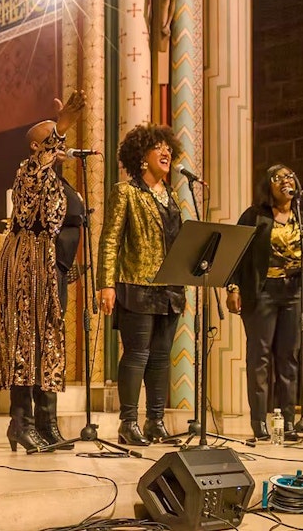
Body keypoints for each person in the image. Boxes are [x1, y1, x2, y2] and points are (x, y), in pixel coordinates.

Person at [0, 92, 85, 453]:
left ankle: (48, 423)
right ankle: (22, 422)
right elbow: (36, 188)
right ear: (38, 145)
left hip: (51, 270)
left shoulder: (61, 183)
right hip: (26, 266)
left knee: (49, 343)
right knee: (26, 341)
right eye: (52, 138)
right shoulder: (28, 171)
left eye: (61, 138)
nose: (60, 143)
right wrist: (60, 128)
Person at [96, 123, 187, 447]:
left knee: (162, 357)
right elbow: (109, 240)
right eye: (157, 147)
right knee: (137, 354)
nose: (165, 152)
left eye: (168, 147)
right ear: (141, 155)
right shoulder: (126, 192)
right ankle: (128, 421)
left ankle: (155, 420)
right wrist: (106, 284)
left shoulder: (173, 196)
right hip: (136, 282)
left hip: (170, 288)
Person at [226, 165, 303, 441]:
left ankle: (288, 423)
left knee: (289, 359)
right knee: (259, 359)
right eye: (278, 177)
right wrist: (233, 287)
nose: (285, 180)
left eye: (289, 176)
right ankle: (259, 423)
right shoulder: (255, 216)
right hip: (263, 292)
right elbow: (235, 253)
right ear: (268, 186)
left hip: (292, 292)